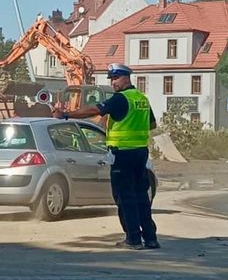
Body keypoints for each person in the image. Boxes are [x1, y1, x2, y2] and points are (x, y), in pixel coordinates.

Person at [53, 63, 160, 250]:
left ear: (127, 78)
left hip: (122, 154)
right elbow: (152, 125)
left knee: (124, 197)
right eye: (111, 79)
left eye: (116, 78)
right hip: (140, 153)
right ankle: (150, 238)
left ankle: (133, 239)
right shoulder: (141, 99)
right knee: (141, 195)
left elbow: (94, 110)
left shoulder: (120, 99)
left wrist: (66, 115)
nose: (113, 83)